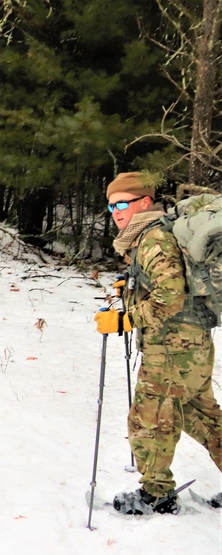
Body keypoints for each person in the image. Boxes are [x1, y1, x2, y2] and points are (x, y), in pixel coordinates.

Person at [97, 171, 222, 513]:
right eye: (111, 206)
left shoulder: (153, 239)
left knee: (149, 420)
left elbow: (170, 298)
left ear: (145, 202)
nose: (117, 212)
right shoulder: (150, 237)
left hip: (171, 349)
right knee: (204, 418)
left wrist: (125, 318)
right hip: (190, 347)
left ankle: (157, 495)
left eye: (123, 203)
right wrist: (133, 287)